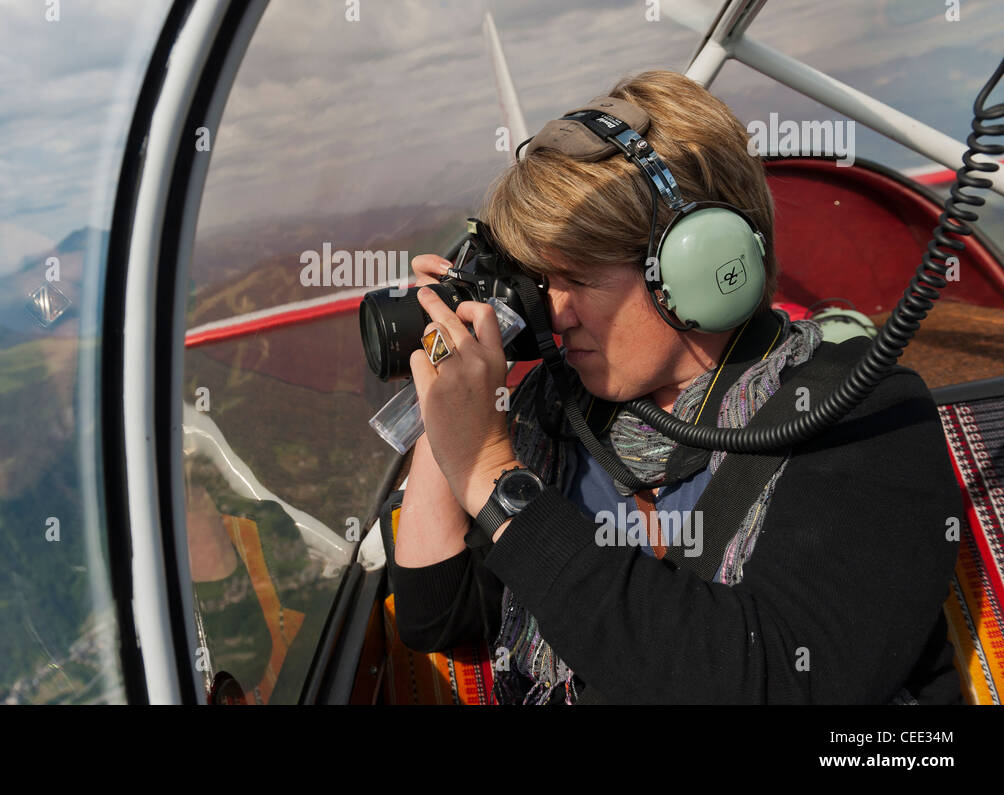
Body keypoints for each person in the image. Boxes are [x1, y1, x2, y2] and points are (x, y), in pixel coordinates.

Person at [388, 69, 964, 704]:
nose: (554, 313)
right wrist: (448, 377)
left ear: (697, 260)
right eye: (539, 280)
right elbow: (437, 612)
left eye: (575, 276)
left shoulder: (859, 412)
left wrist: (495, 481)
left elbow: (773, 680)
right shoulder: (556, 413)